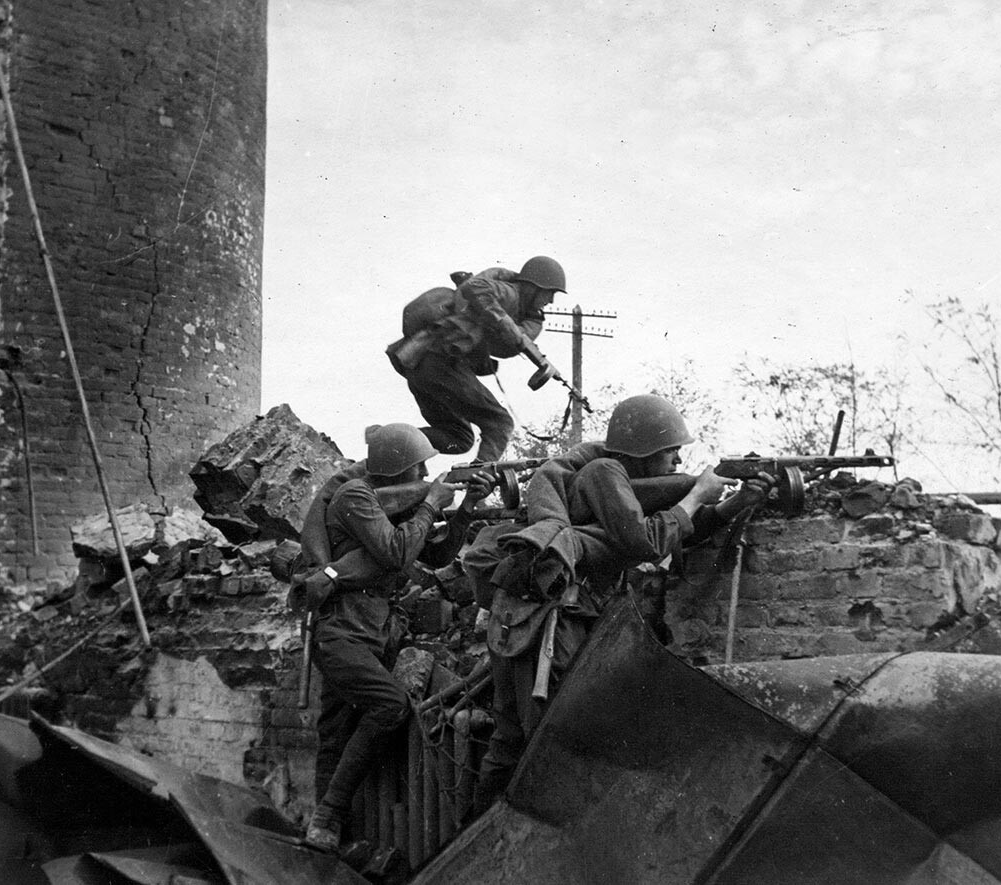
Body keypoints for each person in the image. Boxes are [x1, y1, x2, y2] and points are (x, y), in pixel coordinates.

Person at [469, 394, 772, 812]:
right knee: (546, 736)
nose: (678, 461)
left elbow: (669, 531)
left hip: (534, 618)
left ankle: (481, 835)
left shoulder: (618, 481)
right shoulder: (604, 472)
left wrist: (733, 503)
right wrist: (698, 494)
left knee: (515, 737)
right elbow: (645, 541)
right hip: (549, 623)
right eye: (670, 452)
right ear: (644, 452)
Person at [303, 423, 492, 853]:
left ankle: (327, 835)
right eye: (419, 467)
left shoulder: (391, 503)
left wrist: (465, 508)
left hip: (371, 631)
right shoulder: (355, 496)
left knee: (337, 728)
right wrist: (430, 504)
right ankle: (328, 814)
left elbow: (437, 553)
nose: (426, 473)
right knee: (389, 707)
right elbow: (396, 552)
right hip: (341, 630)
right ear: (399, 469)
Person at [385, 256, 567, 462]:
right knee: (500, 424)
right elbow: (475, 287)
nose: (550, 300)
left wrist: (519, 339)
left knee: (459, 437)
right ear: (534, 287)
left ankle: (385, 441)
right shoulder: (511, 294)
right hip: (439, 361)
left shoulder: (523, 312)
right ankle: (479, 487)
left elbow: (507, 346)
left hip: (417, 364)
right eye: (549, 292)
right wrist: (507, 325)